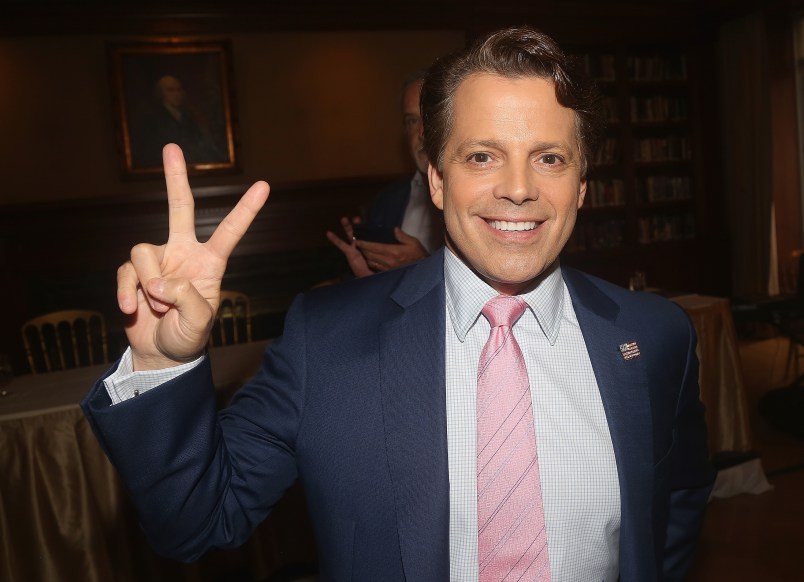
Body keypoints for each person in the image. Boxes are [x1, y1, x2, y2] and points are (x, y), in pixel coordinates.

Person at [82, 25, 714, 581]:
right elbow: (195, 523)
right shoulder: (326, 341)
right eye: (482, 156)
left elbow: (677, 501)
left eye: (549, 158)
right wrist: (163, 366)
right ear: (437, 179)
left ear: (581, 184)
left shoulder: (656, 335)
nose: (518, 189)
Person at [326, 70, 443, 277]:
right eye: (412, 121)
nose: (421, 133)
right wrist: (370, 278)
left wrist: (423, 268)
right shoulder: (387, 201)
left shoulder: (479, 199)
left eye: (429, 117)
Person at [133, 74, 227, 167]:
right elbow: (150, 150)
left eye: (179, 90)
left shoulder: (189, 117)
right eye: (171, 90)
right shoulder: (153, 118)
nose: (176, 94)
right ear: (161, 93)